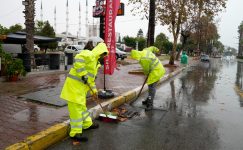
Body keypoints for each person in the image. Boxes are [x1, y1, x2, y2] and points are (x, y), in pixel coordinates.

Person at [60, 42, 108, 142]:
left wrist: (94, 92)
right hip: (73, 88)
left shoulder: (95, 63)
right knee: (76, 111)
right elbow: (78, 59)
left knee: (82, 108)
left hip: (80, 90)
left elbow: (91, 81)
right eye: (103, 54)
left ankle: (87, 124)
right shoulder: (89, 54)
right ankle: (75, 132)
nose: (103, 57)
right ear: (99, 52)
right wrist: (83, 74)